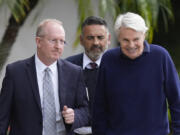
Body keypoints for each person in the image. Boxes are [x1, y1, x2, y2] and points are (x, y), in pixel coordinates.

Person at [92, 12, 180, 135]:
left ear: (144, 35)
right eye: (125, 40)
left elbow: (177, 100)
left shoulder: (160, 56)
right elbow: (100, 105)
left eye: (136, 39)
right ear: (118, 38)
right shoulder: (109, 59)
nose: (131, 45)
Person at [0, 19, 89, 135]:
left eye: (62, 41)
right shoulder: (15, 72)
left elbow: (86, 111)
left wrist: (75, 116)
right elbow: (2, 117)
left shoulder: (74, 72)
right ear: (38, 42)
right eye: (53, 41)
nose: (58, 46)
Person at [66, 16, 111, 118]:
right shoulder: (67, 66)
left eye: (100, 37)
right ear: (81, 40)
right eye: (90, 38)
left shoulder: (118, 67)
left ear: (108, 39)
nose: (96, 43)